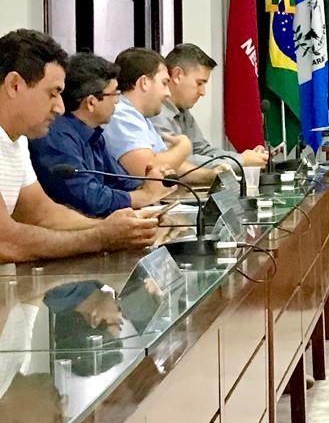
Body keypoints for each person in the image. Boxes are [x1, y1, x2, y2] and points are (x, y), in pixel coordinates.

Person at [0, 30, 157, 262]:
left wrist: (114, 228)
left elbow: (41, 214)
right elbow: (6, 242)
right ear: (14, 85)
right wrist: (100, 237)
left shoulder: (17, 140)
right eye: (53, 93)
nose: (60, 108)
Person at [29, 53, 173, 216]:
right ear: (91, 102)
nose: (117, 101)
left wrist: (151, 181)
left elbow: (119, 181)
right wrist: (143, 196)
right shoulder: (55, 136)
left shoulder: (94, 134)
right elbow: (89, 198)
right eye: (114, 94)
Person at [103, 48, 216, 183]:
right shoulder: (121, 115)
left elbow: (172, 166)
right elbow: (148, 171)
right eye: (164, 83)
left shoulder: (141, 117)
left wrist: (210, 175)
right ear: (144, 82)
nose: (167, 93)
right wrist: (182, 148)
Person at [150, 43, 268, 171]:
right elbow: (180, 162)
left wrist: (244, 158)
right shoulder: (156, 113)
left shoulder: (183, 112)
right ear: (178, 75)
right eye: (199, 83)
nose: (203, 92)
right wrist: (241, 161)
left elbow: (203, 150)